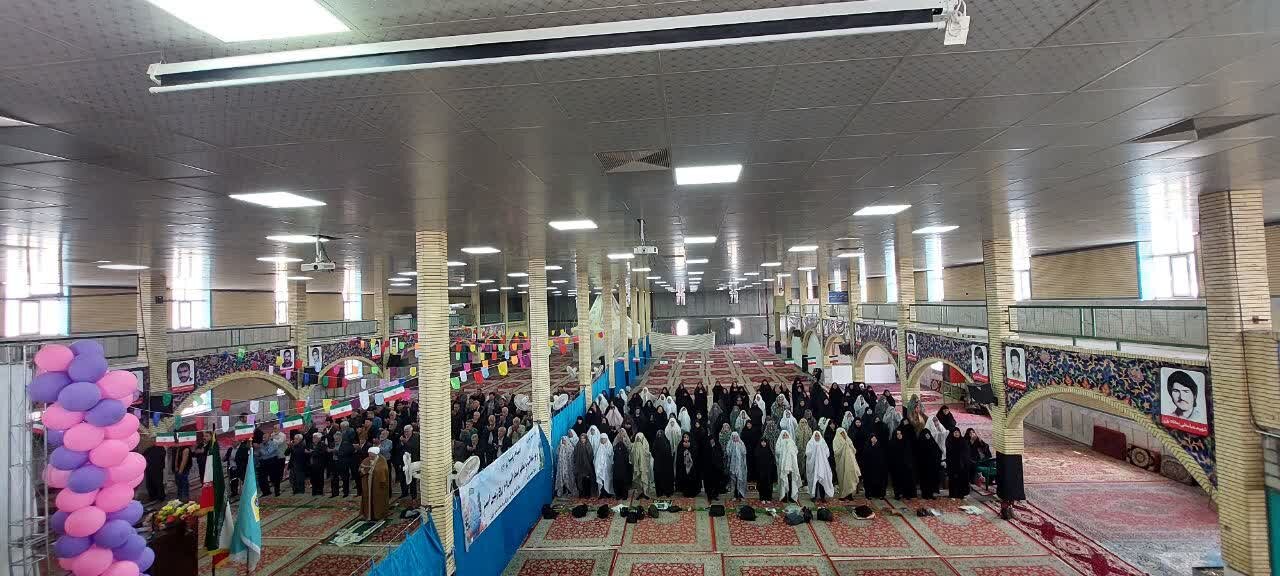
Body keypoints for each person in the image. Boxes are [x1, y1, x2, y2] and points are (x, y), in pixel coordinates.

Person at [359, 447, 391, 520]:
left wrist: (373, 469)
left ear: (375, 454)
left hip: (378, 484)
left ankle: (378, 514)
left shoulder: (382, 460)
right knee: (368, 498)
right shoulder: (366, 460)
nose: (370, 456)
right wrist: (366, 468)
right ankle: (368, 515)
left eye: (371, 455)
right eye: (369, 454)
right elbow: (361, 468)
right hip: (368, 483)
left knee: (378, 499)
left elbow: (383, 469)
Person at [887, 427, 917, 499]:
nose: (899, 435)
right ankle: (897, 494)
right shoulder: (892, 443)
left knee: (906, 480)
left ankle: (906, 494)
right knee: (896, 480)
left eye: (900, 434)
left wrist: (908, 463)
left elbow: (909, 454)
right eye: (897, 434)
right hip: (896, 466)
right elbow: (890, 455)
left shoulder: (906, 442)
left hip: (905, 465)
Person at [805, 431, 835, 501]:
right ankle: (814, 496)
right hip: (813, 465)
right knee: (814, 481)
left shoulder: (823, 442)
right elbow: (807, 453)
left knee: (822, 479)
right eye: (816, 436)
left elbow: (827, 453)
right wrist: (815, 450)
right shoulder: (810, 443)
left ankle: (822, 497)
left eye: (818, 436)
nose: (817, 437)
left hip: (822, 465)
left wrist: (820, 451)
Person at [831, 428, 860, 500]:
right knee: (842, 479)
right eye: (841, 433)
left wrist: (848, 445)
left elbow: (854, 450)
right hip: (841, 463)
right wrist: (843, 446)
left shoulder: (848, 439)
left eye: (843, 433)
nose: (843, 435)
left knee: (850, 478)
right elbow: (836, 452)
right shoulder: (835, 441)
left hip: (850, 463)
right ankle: (843, 495)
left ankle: (850, 494)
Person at [945, 428, 972, 499]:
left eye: (958, 432)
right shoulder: (950, 442)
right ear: (952, 433)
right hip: (953, 465)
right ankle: (953, 494)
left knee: (961, 480)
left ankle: (961, 494)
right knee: (953, 480)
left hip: (962, 465)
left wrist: (964, 462)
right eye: (955, 432)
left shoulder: (963, 441)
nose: (957, 434)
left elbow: (967, 453)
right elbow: (948, 454)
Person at [775, 430, 800, 503]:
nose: (785, 436)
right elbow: (777, 451)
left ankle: (791, 496)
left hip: (791, 465)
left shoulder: (791, 442)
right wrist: (784, 448)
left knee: (791, 480)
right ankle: (784, 496)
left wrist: (790, 449)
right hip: (783, 466)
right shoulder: (779, 442)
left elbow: (796, 451)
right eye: (784, 435)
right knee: (784, 480)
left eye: (786, 435)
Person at [916, 429, 942, 499]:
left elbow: (938, 451)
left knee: (931, 480)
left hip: (932, 466)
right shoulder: (920, 443)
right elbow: (918, 455)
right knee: (924, 481)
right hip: (923, 467)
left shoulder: (932, 442)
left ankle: (931, 494)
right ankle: (925, 494)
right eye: (926, 435)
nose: (927, 436)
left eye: (928, 434)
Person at [861, 434, 888, 498]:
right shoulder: (867, 446)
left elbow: (882, 457)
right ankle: (869, 494)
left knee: (879, 481)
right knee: (869, 481)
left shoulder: (880, 446)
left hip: (878, 467)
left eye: (875, 438)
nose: (874, 440)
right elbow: (864, 457)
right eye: (872, 438)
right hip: (869, 467)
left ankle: (879, 494)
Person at [630, 432, 654, 499]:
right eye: (637, 438)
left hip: (644, 465)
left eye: (639, 439)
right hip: (637, 466)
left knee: (644, 478)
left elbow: (647, 453)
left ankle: (645, 492)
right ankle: (639, 492)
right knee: (638, 479)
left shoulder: (645, 444)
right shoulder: (634, 445)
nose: (638, 440)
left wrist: (643, 453)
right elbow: (632, 455)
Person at [143, 438, 167, 502]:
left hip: (158, 469)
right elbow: (143, 455)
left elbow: (162, 457)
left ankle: (161, 497)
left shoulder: (161, 448)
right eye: (151, 441)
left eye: (153, 440)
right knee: (150, 483)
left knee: (158, 483)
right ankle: (152, 496)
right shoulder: (149, 449)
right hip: (149, 468)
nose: (152, 442)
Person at [652, 430, 675, 497]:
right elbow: (653, 453)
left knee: (665, 478)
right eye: (658, 435)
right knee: (660, 478)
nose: (659, 437)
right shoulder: (658, 442)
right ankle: (662, 492)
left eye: (660, 435)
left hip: (664, 465)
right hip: (660, 464)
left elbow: (668, 453)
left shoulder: (665, 442)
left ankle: (665, 492)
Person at [555, 433, 578, 498]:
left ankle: (570, 491)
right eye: (562, 440)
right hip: (561, 467)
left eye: (564, 440)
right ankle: (563, 491)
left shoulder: (570, 448)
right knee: (562, 478)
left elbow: (572, 457)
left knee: (569, 478)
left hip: (569, 467)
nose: (563, 442)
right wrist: (561, 448)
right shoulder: (560, 447)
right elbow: (557, 454)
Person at [754, 436, 777, 502]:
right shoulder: (757, 450)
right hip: (761, 472)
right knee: (762, 485)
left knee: (769, 485)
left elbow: (772, 462)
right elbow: (756, 462)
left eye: (764, 442)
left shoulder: (769, 450)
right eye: (762, 442)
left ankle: (769, 498)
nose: (763, 443)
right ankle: (762, 498)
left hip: (768, 472)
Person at [574, 431, 596, 497]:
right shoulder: (578, 445)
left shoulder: (588, 445)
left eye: (584, 438)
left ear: (586, 439)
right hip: (579, 466)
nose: (582, 440)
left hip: (587, 466)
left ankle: (587, 494)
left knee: (587, 480)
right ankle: (581, 493)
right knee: (580, 480)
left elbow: (591, 455)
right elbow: (575, 455)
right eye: (581, 438)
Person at [704, 433, 725, 501]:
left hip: (717, 468)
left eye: (713, 439)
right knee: (709, 483)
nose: (712, 441)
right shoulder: (706, 446)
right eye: (710, 439)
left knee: (716, 482)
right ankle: (709, 496)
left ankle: (715, 495)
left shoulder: (717, 445)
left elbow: (721, 455)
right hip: (709, 468)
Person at [727, 432, 748, 500]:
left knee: (741, 480)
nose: (735, 438)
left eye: (736, 437)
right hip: (733, 466)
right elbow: (728, 453)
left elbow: (744, 452)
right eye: (733, 437)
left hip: (740, 466)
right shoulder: (730, 444)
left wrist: (739, 445)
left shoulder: (741, 443)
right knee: (734, 481)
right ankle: (735, 496)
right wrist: (732, 445)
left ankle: (741, 495)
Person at [612, 432, 632, 499]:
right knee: (618, 482)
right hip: (618, 468)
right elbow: (613, 458)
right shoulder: (615, 448)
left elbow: (626, 459)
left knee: (624, 482)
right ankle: (618, 495)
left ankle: (624, 495)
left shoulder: (624, 448)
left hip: (623, 468)